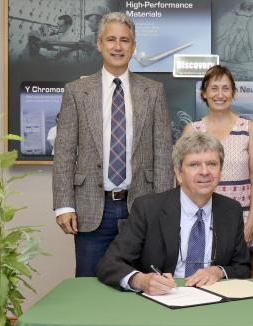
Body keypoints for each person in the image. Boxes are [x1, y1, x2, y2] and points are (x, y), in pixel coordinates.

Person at [53, 12, 174, 277]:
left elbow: (163, 154)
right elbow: (63, 151)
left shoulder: (153, 91)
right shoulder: (77, 91)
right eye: (111, 39)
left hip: (142, 206)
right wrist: (64, 205)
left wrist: (164, 208)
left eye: (124, 40)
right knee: (87, 287)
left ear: (133, 46)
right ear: (99, 44)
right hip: (92, 207)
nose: (117, 47)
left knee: (143, 286)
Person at [97, 132, 251, 294]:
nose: (205, 172)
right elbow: (110, 263)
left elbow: (242, 267)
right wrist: (141, 281)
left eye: (212, 164)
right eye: (194, 165)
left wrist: (218, 271)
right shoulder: (148, 208)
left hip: (213, 299)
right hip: (163, 299)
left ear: (220, 170)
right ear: (178, 173)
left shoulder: (231, 210)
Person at [182, 65, 253, 248]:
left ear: (233, 93)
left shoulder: (248, 129)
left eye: (226, 88)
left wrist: (251, 221)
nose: (220, 94)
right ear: (203, 93)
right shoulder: (192, 130)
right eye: (214, 88)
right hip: (199, 217)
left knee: (236, 274)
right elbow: (182, 180)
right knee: (199, 275)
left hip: (240, 219)